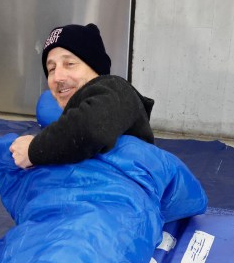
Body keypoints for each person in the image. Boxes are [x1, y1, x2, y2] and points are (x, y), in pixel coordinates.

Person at [10, 23, 156, 169]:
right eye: (51, 69)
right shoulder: (79, 116)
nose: (57, 77)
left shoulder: (117, 89)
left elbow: (92, 128)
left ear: (96, 68)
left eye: (70, 63)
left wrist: (33, 150)